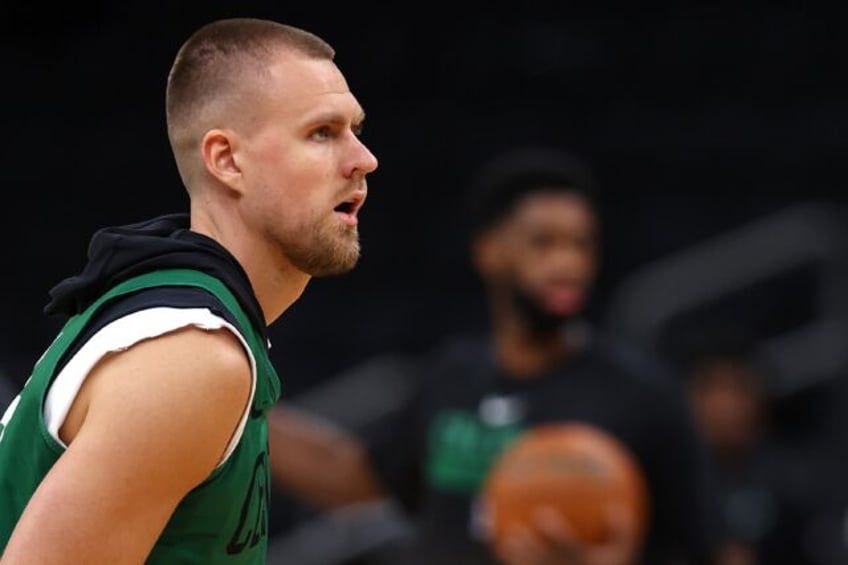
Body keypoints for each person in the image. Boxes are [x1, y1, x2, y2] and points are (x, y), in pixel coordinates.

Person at [0, 16, 378, 564]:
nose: (364, 159)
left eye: (356, 130)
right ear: (227, 160)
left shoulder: (184, 308)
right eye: (322, 133)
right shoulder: (194, 357)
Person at [266, 145, 725, 565]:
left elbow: (718, 552)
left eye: (581, 244)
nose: (568, 263)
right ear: (489, 252)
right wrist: (241, 405)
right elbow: (356, 476)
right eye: (544, 243)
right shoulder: (454, 376)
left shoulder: (644, 396)